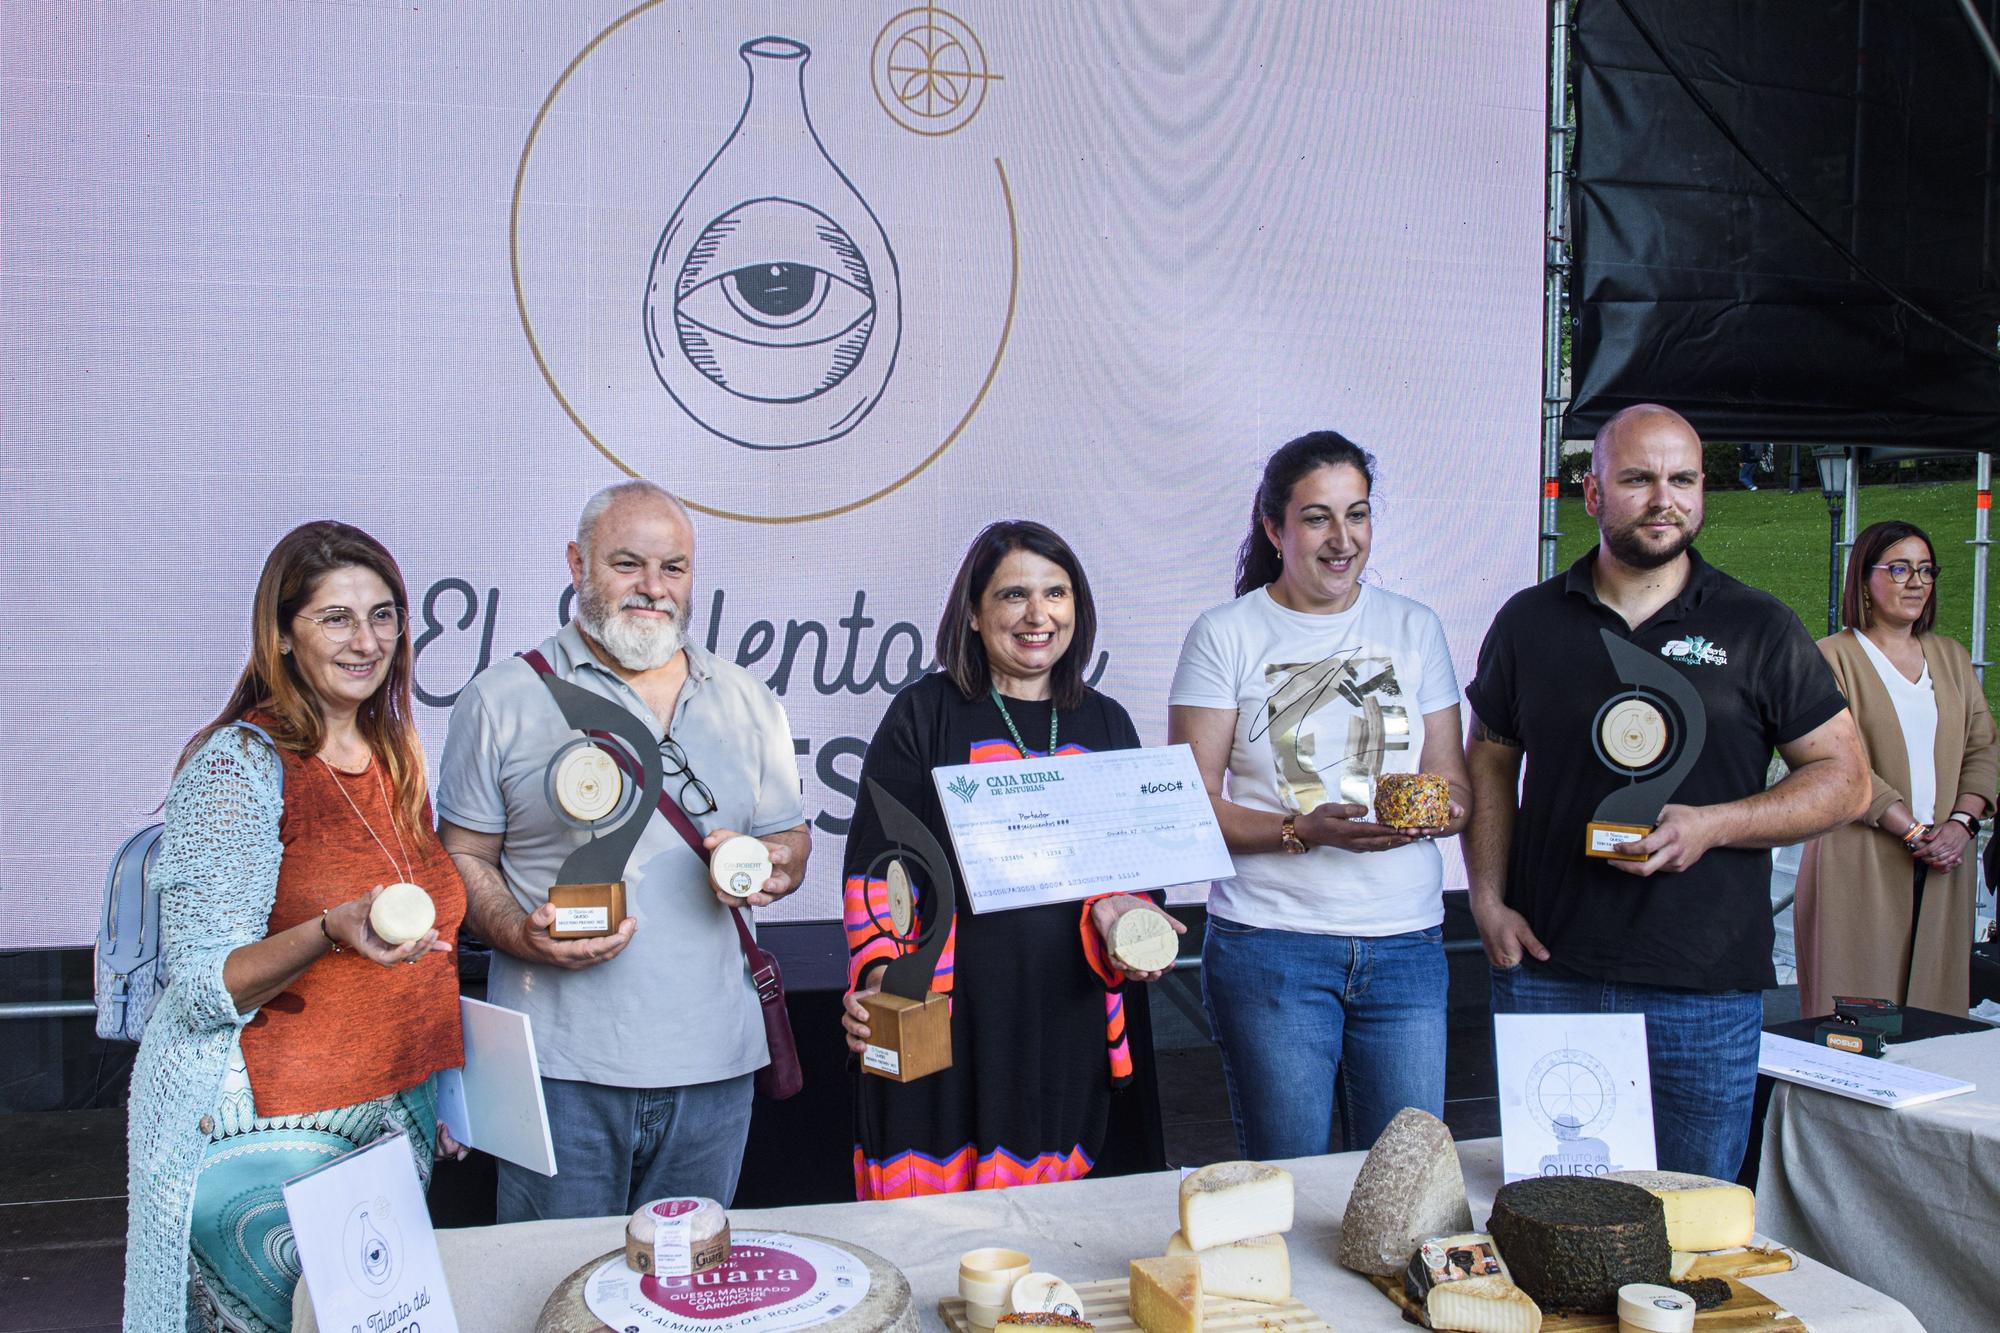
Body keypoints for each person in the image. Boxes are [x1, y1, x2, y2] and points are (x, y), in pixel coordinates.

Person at [1463, 403, 1869, 1180]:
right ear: (1593, 493)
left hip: (1704, 985)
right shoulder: (1530, 621)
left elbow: (1846, 781)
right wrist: (1485, 894)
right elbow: (1489, 760)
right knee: (1555, 1218)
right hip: (1552, 970)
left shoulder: (1758, 625)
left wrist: (1715, 825)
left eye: (1683, 479)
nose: (1665, 499)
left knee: (1694, 1221)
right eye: (1639, 478)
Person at [124, 521, 467, 1333]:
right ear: (282, 635)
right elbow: (205, 982)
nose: (367, 639)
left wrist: (446, 1088)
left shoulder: (394, 754)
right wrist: (329, 928)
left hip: (378, 1131)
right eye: (336, 617)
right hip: (257, 1141)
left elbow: (421, 955)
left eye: (383, 615)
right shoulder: (237, 767)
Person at [438, 480, 809, 1221]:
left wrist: (775, 865)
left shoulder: (748, 699)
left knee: (686, 1300)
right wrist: (518, 933)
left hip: (716, 1070)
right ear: (577, 564)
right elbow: (461, 857)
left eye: (673, 568)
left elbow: (792, 840)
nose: (652, 587)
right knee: (554, 1294)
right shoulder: (502, 697)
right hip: (559, 1073)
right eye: (627, 563)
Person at [839, 520, 1178, 1198]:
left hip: (1061, 1017)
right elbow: (876, 867)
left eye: (1056, 593)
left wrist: (1134, 923)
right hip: (936, 1015)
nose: (1037, 614)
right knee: (926, 1234)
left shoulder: (1106, 723)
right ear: (973, 610)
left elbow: (1137, 874)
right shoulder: (923, 715)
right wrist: (879, 977)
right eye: (1014, 594)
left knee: (1051, 1232)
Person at [1167, 431, 1470, 1158]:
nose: (1343, 539)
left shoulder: (1414, 626)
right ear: (1274, 528)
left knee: (1404, 1183)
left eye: (1357, 514)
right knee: (1292, 1182)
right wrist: (1304, 829)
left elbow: (1453, 780)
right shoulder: (1226, 634)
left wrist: (1438, 810)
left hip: (1406, 944)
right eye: (1317, 518)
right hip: (1273, 946)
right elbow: (1190, 805)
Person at [1796, 521, 1996, 1017]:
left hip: (1946, 861)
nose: (1917, 582)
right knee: (1856, 1021)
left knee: (1934, 1019)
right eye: (1900, 568)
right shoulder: (1830, 658)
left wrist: (1961, 825)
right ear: (1864, 578)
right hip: (1858, 857)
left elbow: (1984, 748)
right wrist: (1910, 830)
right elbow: (1833, 758)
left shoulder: (1951, 657)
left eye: (1926, 570)